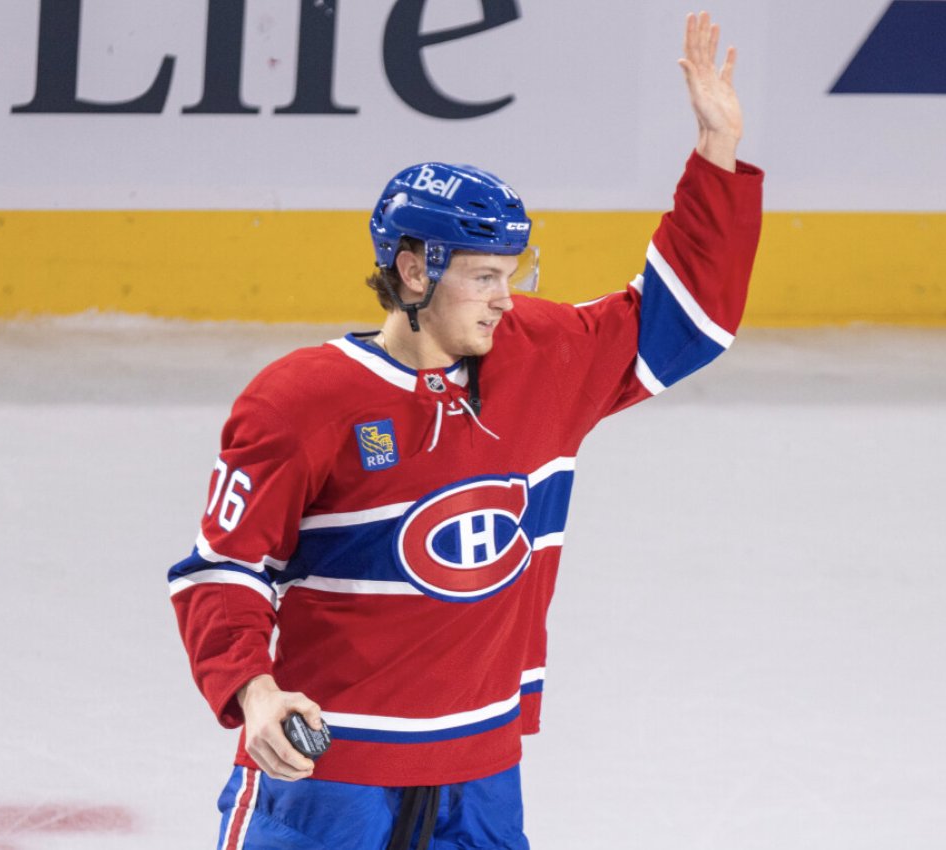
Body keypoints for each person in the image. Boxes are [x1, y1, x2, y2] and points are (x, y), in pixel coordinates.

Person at [168, 10, 763, 849]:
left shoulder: (539, 358)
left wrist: (716, 154)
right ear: (413, 269)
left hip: (480, 767)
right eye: (482, 277)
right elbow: (221, 573)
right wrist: (253, 694)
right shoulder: (299, 400)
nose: (504, 298)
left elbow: (685, 323)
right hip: (329, 774)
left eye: (510, 276)